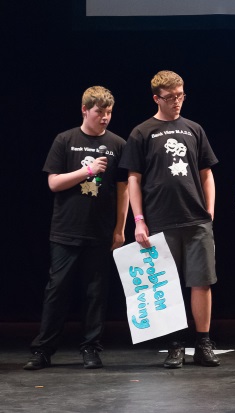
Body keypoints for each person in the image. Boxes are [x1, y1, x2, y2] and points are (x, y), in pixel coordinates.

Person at [119, 70, 220, 369]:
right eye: (170, 97)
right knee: (167, 285)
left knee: (202, 282)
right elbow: (133, 179)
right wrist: (138, 220)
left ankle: (203, 342)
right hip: (160, 220)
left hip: (195, 219)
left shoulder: (194, 129)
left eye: (181, 96)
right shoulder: (142, 132)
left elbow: (206, 173)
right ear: (156, 98)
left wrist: (210, 210)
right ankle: (175, 345)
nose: (177, 102)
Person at [24, 86, 129, 370]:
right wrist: (87, 171)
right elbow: (53, 183)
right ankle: (43, 350)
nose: (105, 118)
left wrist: (120, 229)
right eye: (99, 112)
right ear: (85, 110)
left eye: (108, 113)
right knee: (57, 290)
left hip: (100, 231)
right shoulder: (65, 140)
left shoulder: (118, 144)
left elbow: (124, 191)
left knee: (96, 293)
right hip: (66, 230)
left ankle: (91, 348)